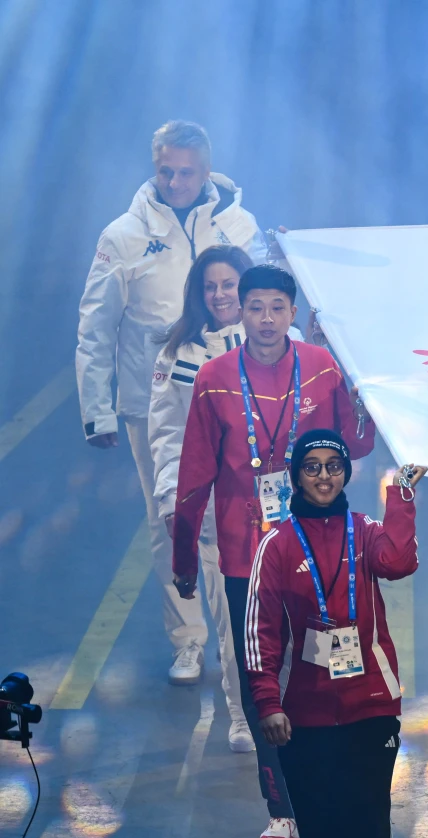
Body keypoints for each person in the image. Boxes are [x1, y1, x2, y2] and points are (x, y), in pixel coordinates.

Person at [172, 264, 375, 838]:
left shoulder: (322, 367)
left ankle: (331, 789)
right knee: (264, 679)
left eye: (276, 308)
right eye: (253, 306)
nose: (264, 319)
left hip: (321, 549)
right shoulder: (213, 379)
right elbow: (193, 478)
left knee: (329, 668)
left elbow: (357, 444)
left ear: (292, 312)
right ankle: (282, 812)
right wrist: (186, 559)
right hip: (246, 557)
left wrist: (360, 391)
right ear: (237, 309)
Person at [74, 120, 271, 686]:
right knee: (169, 521)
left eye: (187, 172)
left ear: (207, 172)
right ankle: (189, 641)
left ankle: (257, 636)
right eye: (166, 171)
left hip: (241, 399)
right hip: (155, 401)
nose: (176, 181)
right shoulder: (123, 236)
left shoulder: (238, 224)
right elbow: (95, 325)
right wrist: (97, 408)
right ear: (153, 167)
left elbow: (265, 298)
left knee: (254, 517)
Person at [246, 430, 423, 838]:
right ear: (297, 476)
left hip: (372, 703)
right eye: (312, 467)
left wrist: (402, 496)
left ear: (346, 474)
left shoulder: (366, 532)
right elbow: (260, 633)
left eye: (333, 467)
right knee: (321, 818)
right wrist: (268, 704)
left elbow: (400, 562)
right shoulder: (275, 547)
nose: (323, 477)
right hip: (307, 714)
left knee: (368, 816)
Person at [150, 244, 257, 752]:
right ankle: (242, 716)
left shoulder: (291, 344)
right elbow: (167, 435)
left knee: (289, 624)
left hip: (285, 517)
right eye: (209, 286)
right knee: (235, 623)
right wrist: (174, 501)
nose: (219, 295)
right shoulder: (178, 354)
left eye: (229, 284)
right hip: (219, 517)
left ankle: (286, 709)